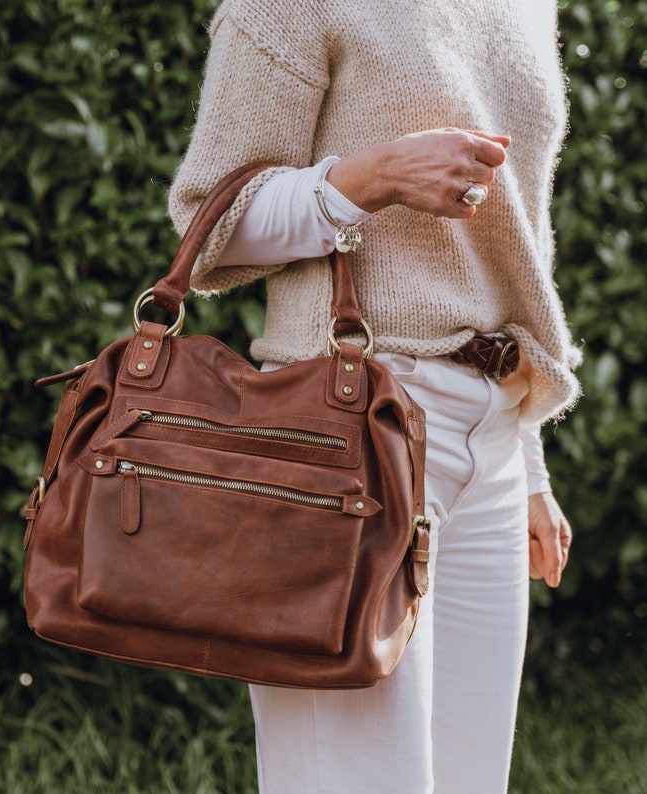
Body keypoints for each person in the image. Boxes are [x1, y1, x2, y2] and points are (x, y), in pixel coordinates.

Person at [168, 1, 579, 791]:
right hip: (344, 436)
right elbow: (210, 226)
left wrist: (526, 459)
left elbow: (513, 249)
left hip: (490, 439)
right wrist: (372, 177)